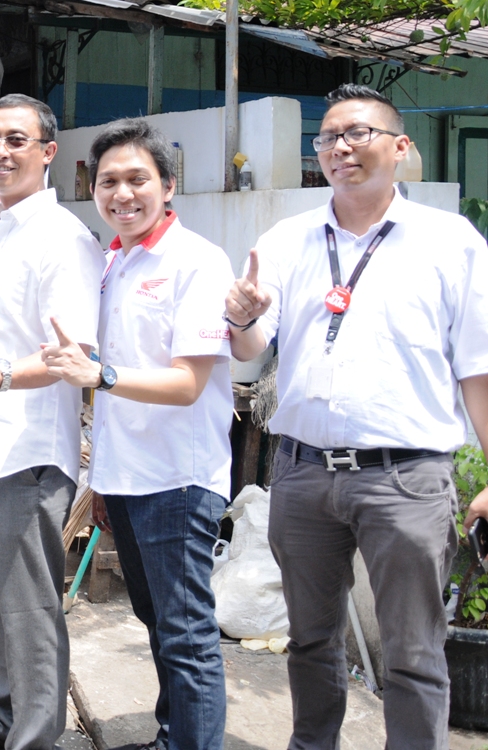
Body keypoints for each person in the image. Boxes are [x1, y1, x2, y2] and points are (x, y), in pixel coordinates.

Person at [225, 84, 488, 750]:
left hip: (405, 480)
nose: (340, 148)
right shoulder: (288, 240)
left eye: (358, 133)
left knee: (413, 651)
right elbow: (254, 355)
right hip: (304, 475)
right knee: (310, 641)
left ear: (400, 147)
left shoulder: (450, 242)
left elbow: (478, 368)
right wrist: (243, 317)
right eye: (329, 137)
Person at [42, 119, 233, 750]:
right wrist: (104, 480)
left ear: (168, 185)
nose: (122, 194)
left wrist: (103, 374)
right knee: (156, 620)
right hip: (127, 476)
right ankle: (172, 735)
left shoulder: (197, 261)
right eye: (108, 182)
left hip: (179, 477)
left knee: (185, 632)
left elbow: (187, 384)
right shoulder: (112, 261)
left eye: (137, 179)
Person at [0, 94, 104, 750]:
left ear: (47, 152)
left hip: (25, 449)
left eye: (15, 140)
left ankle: (33, 737)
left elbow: (76, 353)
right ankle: (2, 717)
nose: (0, 153)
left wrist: (1, 375)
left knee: (29, 608)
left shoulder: (62, 238)